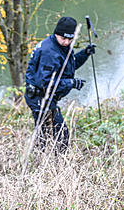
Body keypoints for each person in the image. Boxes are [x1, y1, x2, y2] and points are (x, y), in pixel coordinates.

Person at [24, 16, 96, 149]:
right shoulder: (49, 52)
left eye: (70, 39)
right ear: (56, 33)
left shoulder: (60, 46)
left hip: (47, 96)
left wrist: (85, 53)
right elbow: (45, 83)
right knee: (60, 134)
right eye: (64, 38)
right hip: (39, 96)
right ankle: (55, 165)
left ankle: (45, 162)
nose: (66, 42)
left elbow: (67, 67)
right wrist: (71, 83)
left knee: (47, 133)